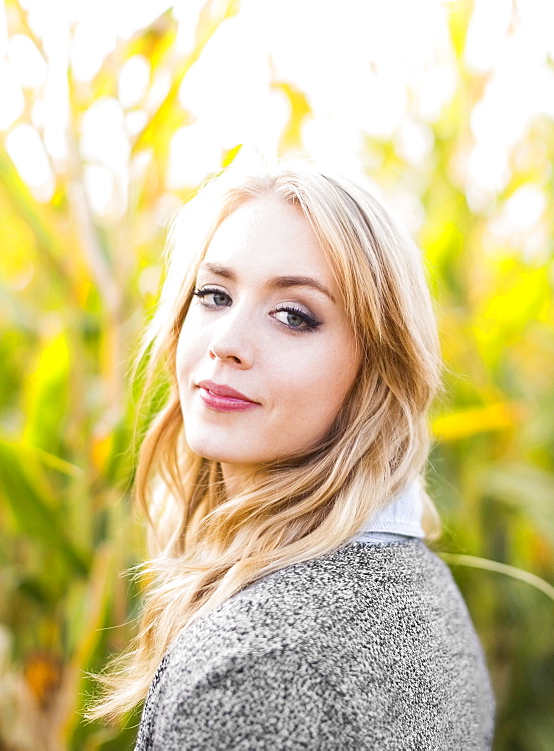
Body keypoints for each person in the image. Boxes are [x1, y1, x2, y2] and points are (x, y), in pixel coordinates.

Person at [89, 159, 495, 749]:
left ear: (376, 369)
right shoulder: (418, 585)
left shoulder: (255, 674)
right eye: (213, 294)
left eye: (293, 316)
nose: (226, 343)